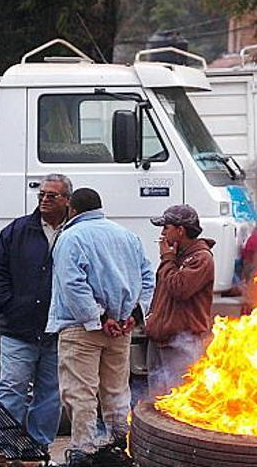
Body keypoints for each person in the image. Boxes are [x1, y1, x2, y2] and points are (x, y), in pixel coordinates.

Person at [47, 188, 154, 467]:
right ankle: (120, 446)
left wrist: (97, 316)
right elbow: (147, 277)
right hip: (121, 328)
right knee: (117, 390)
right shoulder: (128, 237)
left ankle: (83, 452)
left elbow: (73, 284)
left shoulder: (71, 237)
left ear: (72, 209)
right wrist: (134, 315)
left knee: (80, 392)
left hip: (82, 330)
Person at [0, 173, 72, 449]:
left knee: (50, 394)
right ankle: (3, 447)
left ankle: (38, 447)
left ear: (67, 200)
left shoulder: (75, 233)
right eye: (42, 195)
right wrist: (9, 306)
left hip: (57, 330)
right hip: (19, 328)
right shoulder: (17, 232)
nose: (45, 199)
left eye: (52, 195)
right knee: (11, 387)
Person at [145, 204, 216, 397]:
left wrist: (167, 258)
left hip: (181, 343)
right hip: (161, 340)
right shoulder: (176, 257)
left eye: (166, 228)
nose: (162, 233)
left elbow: (180, 289)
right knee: (157, 401)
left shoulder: (201, 258)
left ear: (180, 230)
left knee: (178, 401)